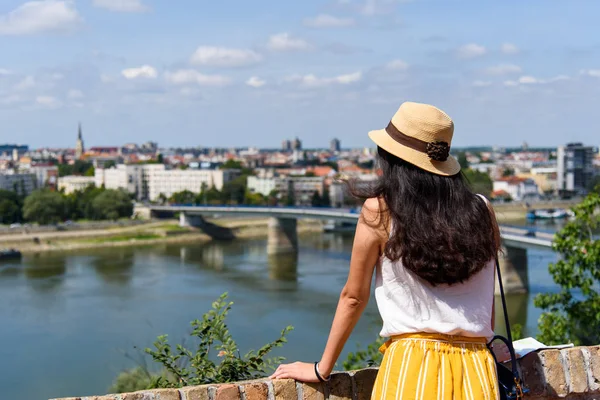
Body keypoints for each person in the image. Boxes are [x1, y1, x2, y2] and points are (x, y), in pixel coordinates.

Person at [270, 102, 510, 399]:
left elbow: (354, 297)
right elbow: (487, 305)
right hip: (477, 369)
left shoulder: (380, 211)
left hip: (413, 365)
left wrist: (322, 368)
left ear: (392, 159)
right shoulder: (481, 209)